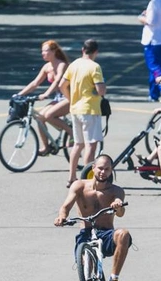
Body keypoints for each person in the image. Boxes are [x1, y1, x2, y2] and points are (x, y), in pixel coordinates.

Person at [54, 155, 132, 281]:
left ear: (111, 171)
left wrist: (118, 206)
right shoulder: (79, 186)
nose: (103, 172)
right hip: (86, 234)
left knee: (124, 234)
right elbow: (66, 206)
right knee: (86, 267)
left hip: (106, 234)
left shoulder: (115, 191)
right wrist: (62, 216)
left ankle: (114, 280)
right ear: (93, 167)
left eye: (107, 169)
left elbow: (120, 213)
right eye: (100, 168)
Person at [59, 39, 106, 188]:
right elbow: (100, 90)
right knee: (91, 145)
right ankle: (87, 177)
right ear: (96, 52)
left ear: (82, 50)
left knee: (78, 144)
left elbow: (62, 85)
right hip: (90, 109)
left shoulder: (74, 64)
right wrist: (103, 88)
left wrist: (71, 98)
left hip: (76, 109)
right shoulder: (95, 67)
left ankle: (71, 177)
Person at [16, 40, 72, 156]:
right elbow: (35, 83)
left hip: (70, 97)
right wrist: (20, 94)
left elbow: (57, 82)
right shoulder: (47, 67)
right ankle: (46, 147)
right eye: (42, 51)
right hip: (58, 98)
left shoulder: (62, 65)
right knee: (40, 118)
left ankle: (73, 134)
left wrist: (46, 93)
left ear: (54, 51)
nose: (43, 53)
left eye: (45, 51)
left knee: (49, 115)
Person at [138, 0, 161, 102]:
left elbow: (151, 21)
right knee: (158, 68)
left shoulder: (154, 3)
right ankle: (154, 94)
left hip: (153, 39)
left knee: (154, 67)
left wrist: (141, 17)